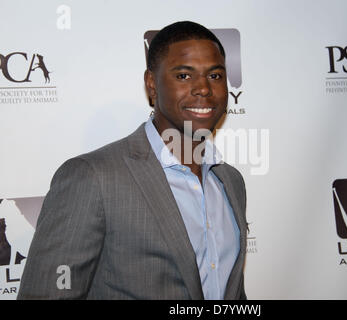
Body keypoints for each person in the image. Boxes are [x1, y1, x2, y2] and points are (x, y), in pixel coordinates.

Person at [17, 21, 247, 300]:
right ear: (152, 84)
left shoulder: (230, 181)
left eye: (215, 76)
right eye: (184, 76)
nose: (203, 89)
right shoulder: (92, 177)